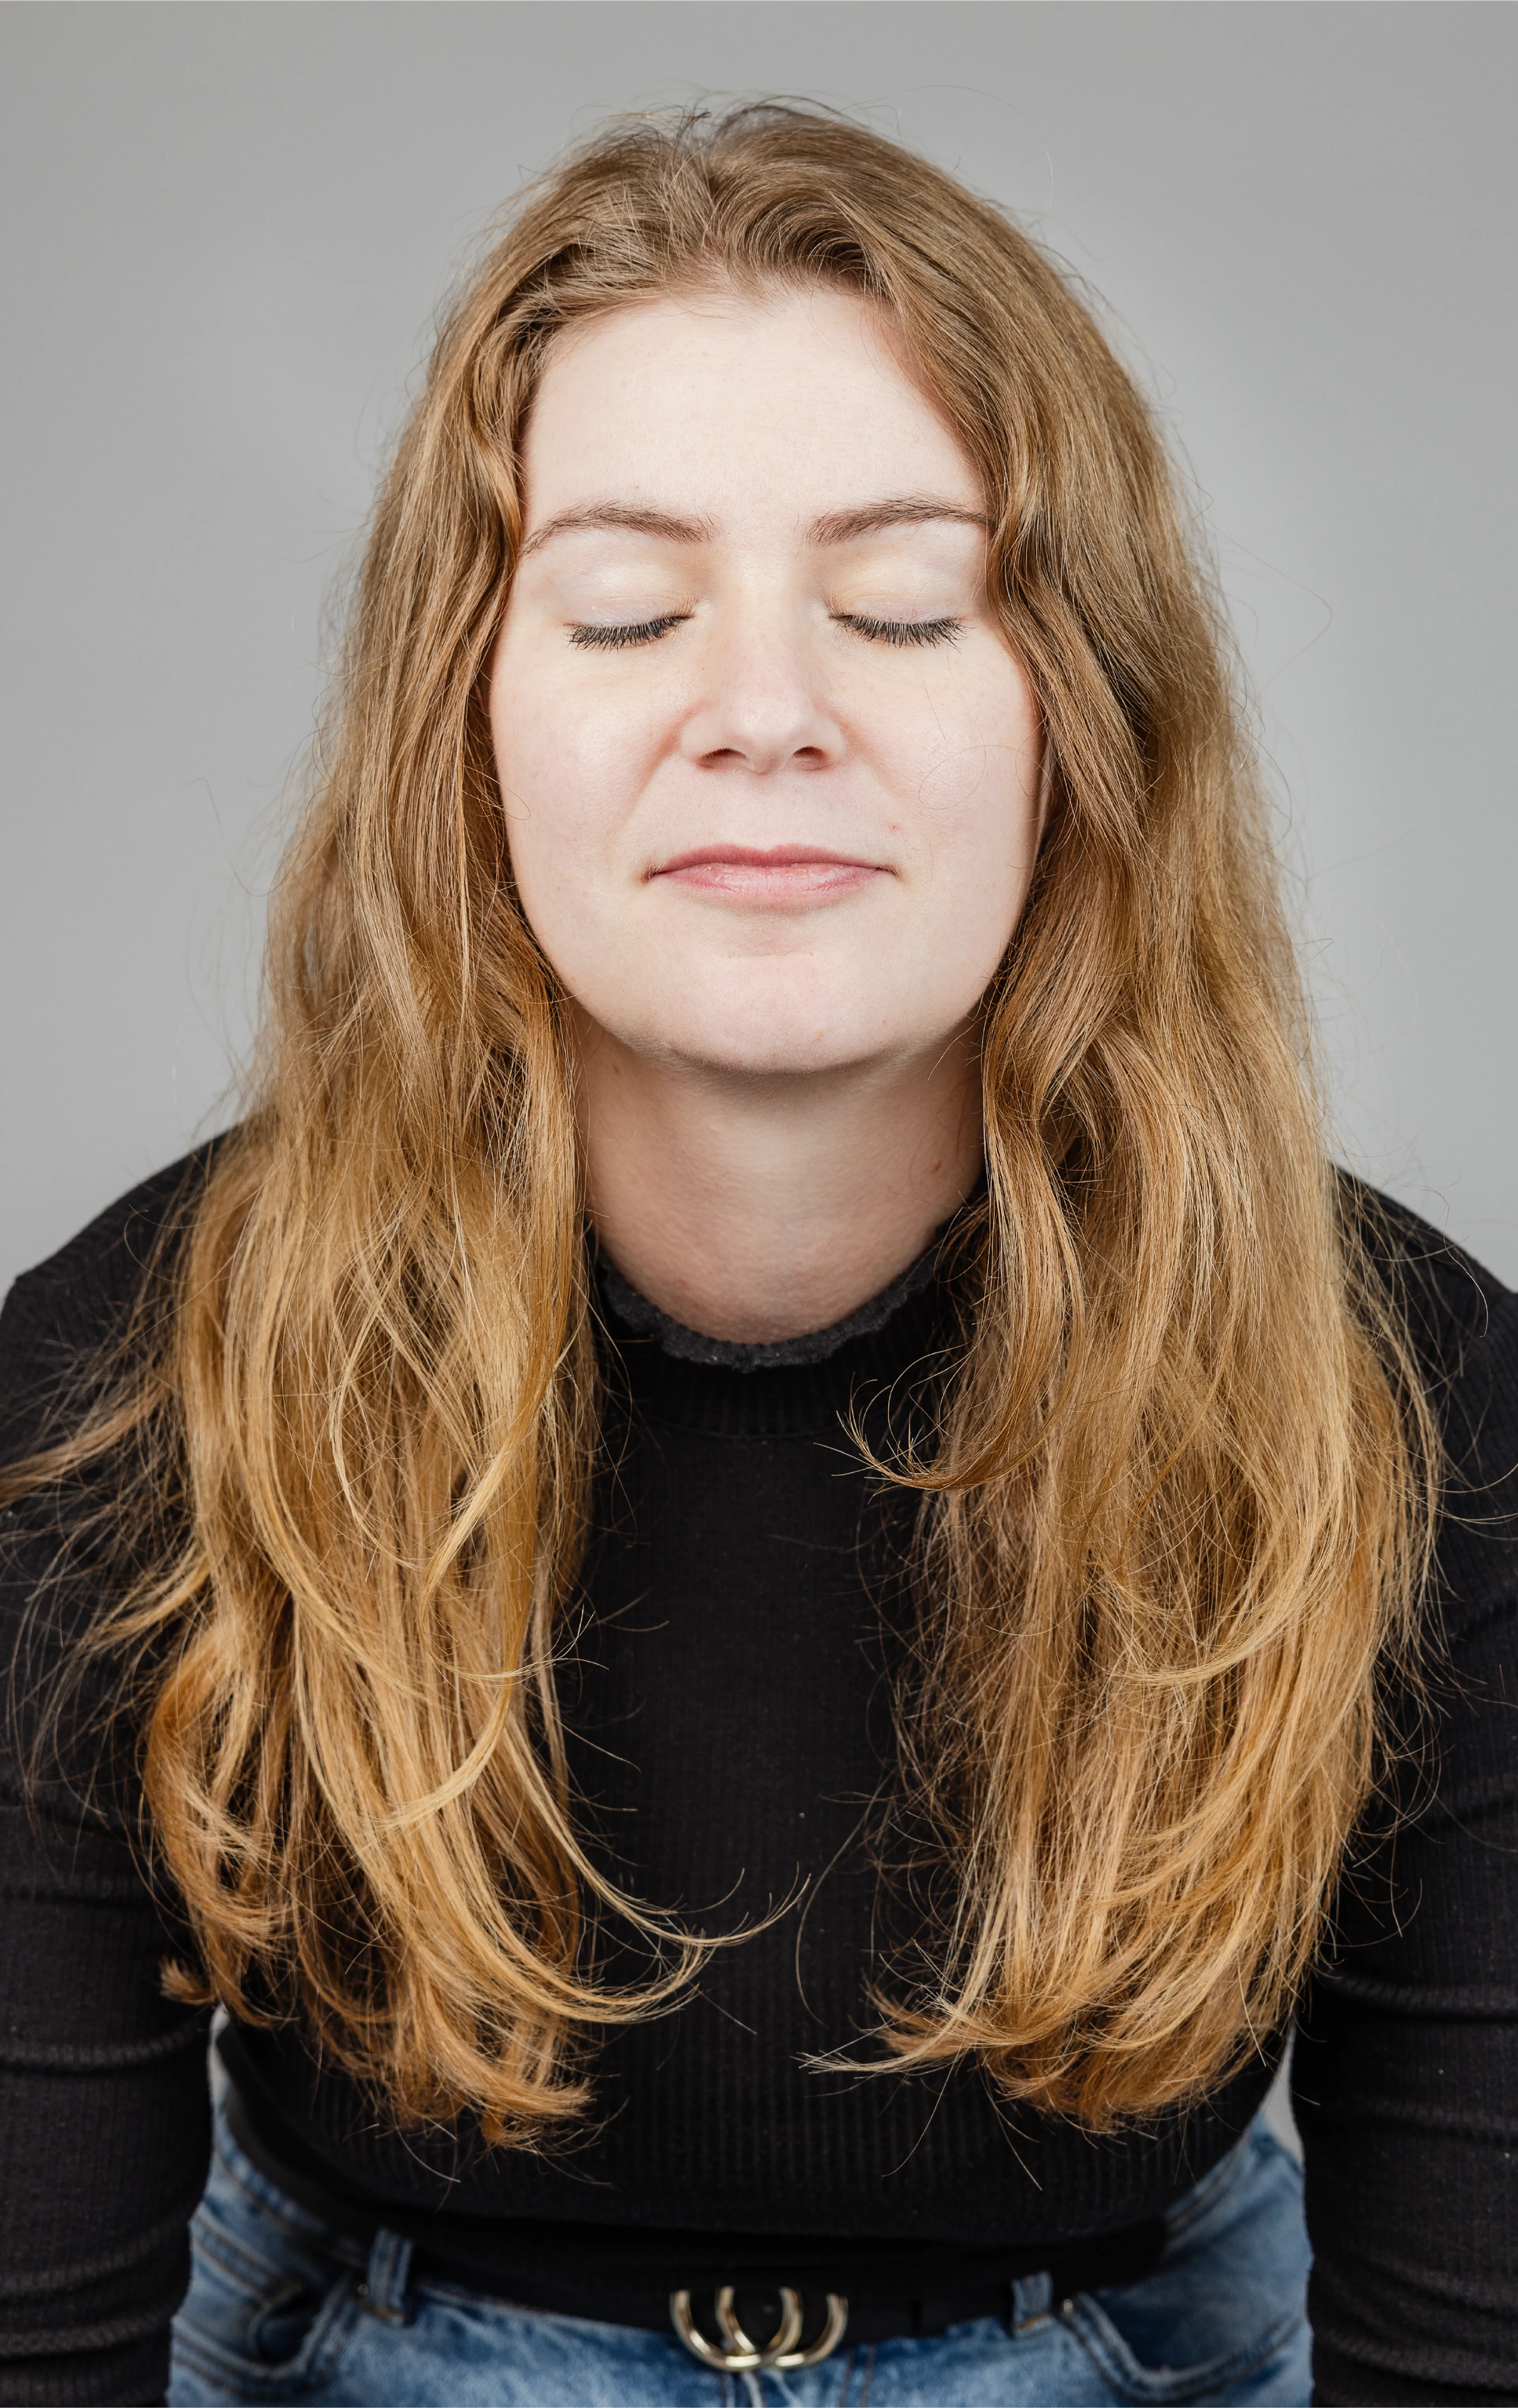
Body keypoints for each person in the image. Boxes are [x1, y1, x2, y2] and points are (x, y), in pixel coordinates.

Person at [1, 102, 1514, 2408]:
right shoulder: (124, 1384)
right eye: (625, 606)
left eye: (906, 602)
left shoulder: (1406, 1394)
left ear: (1076, 723)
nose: (770, 710)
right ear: (465, 731)